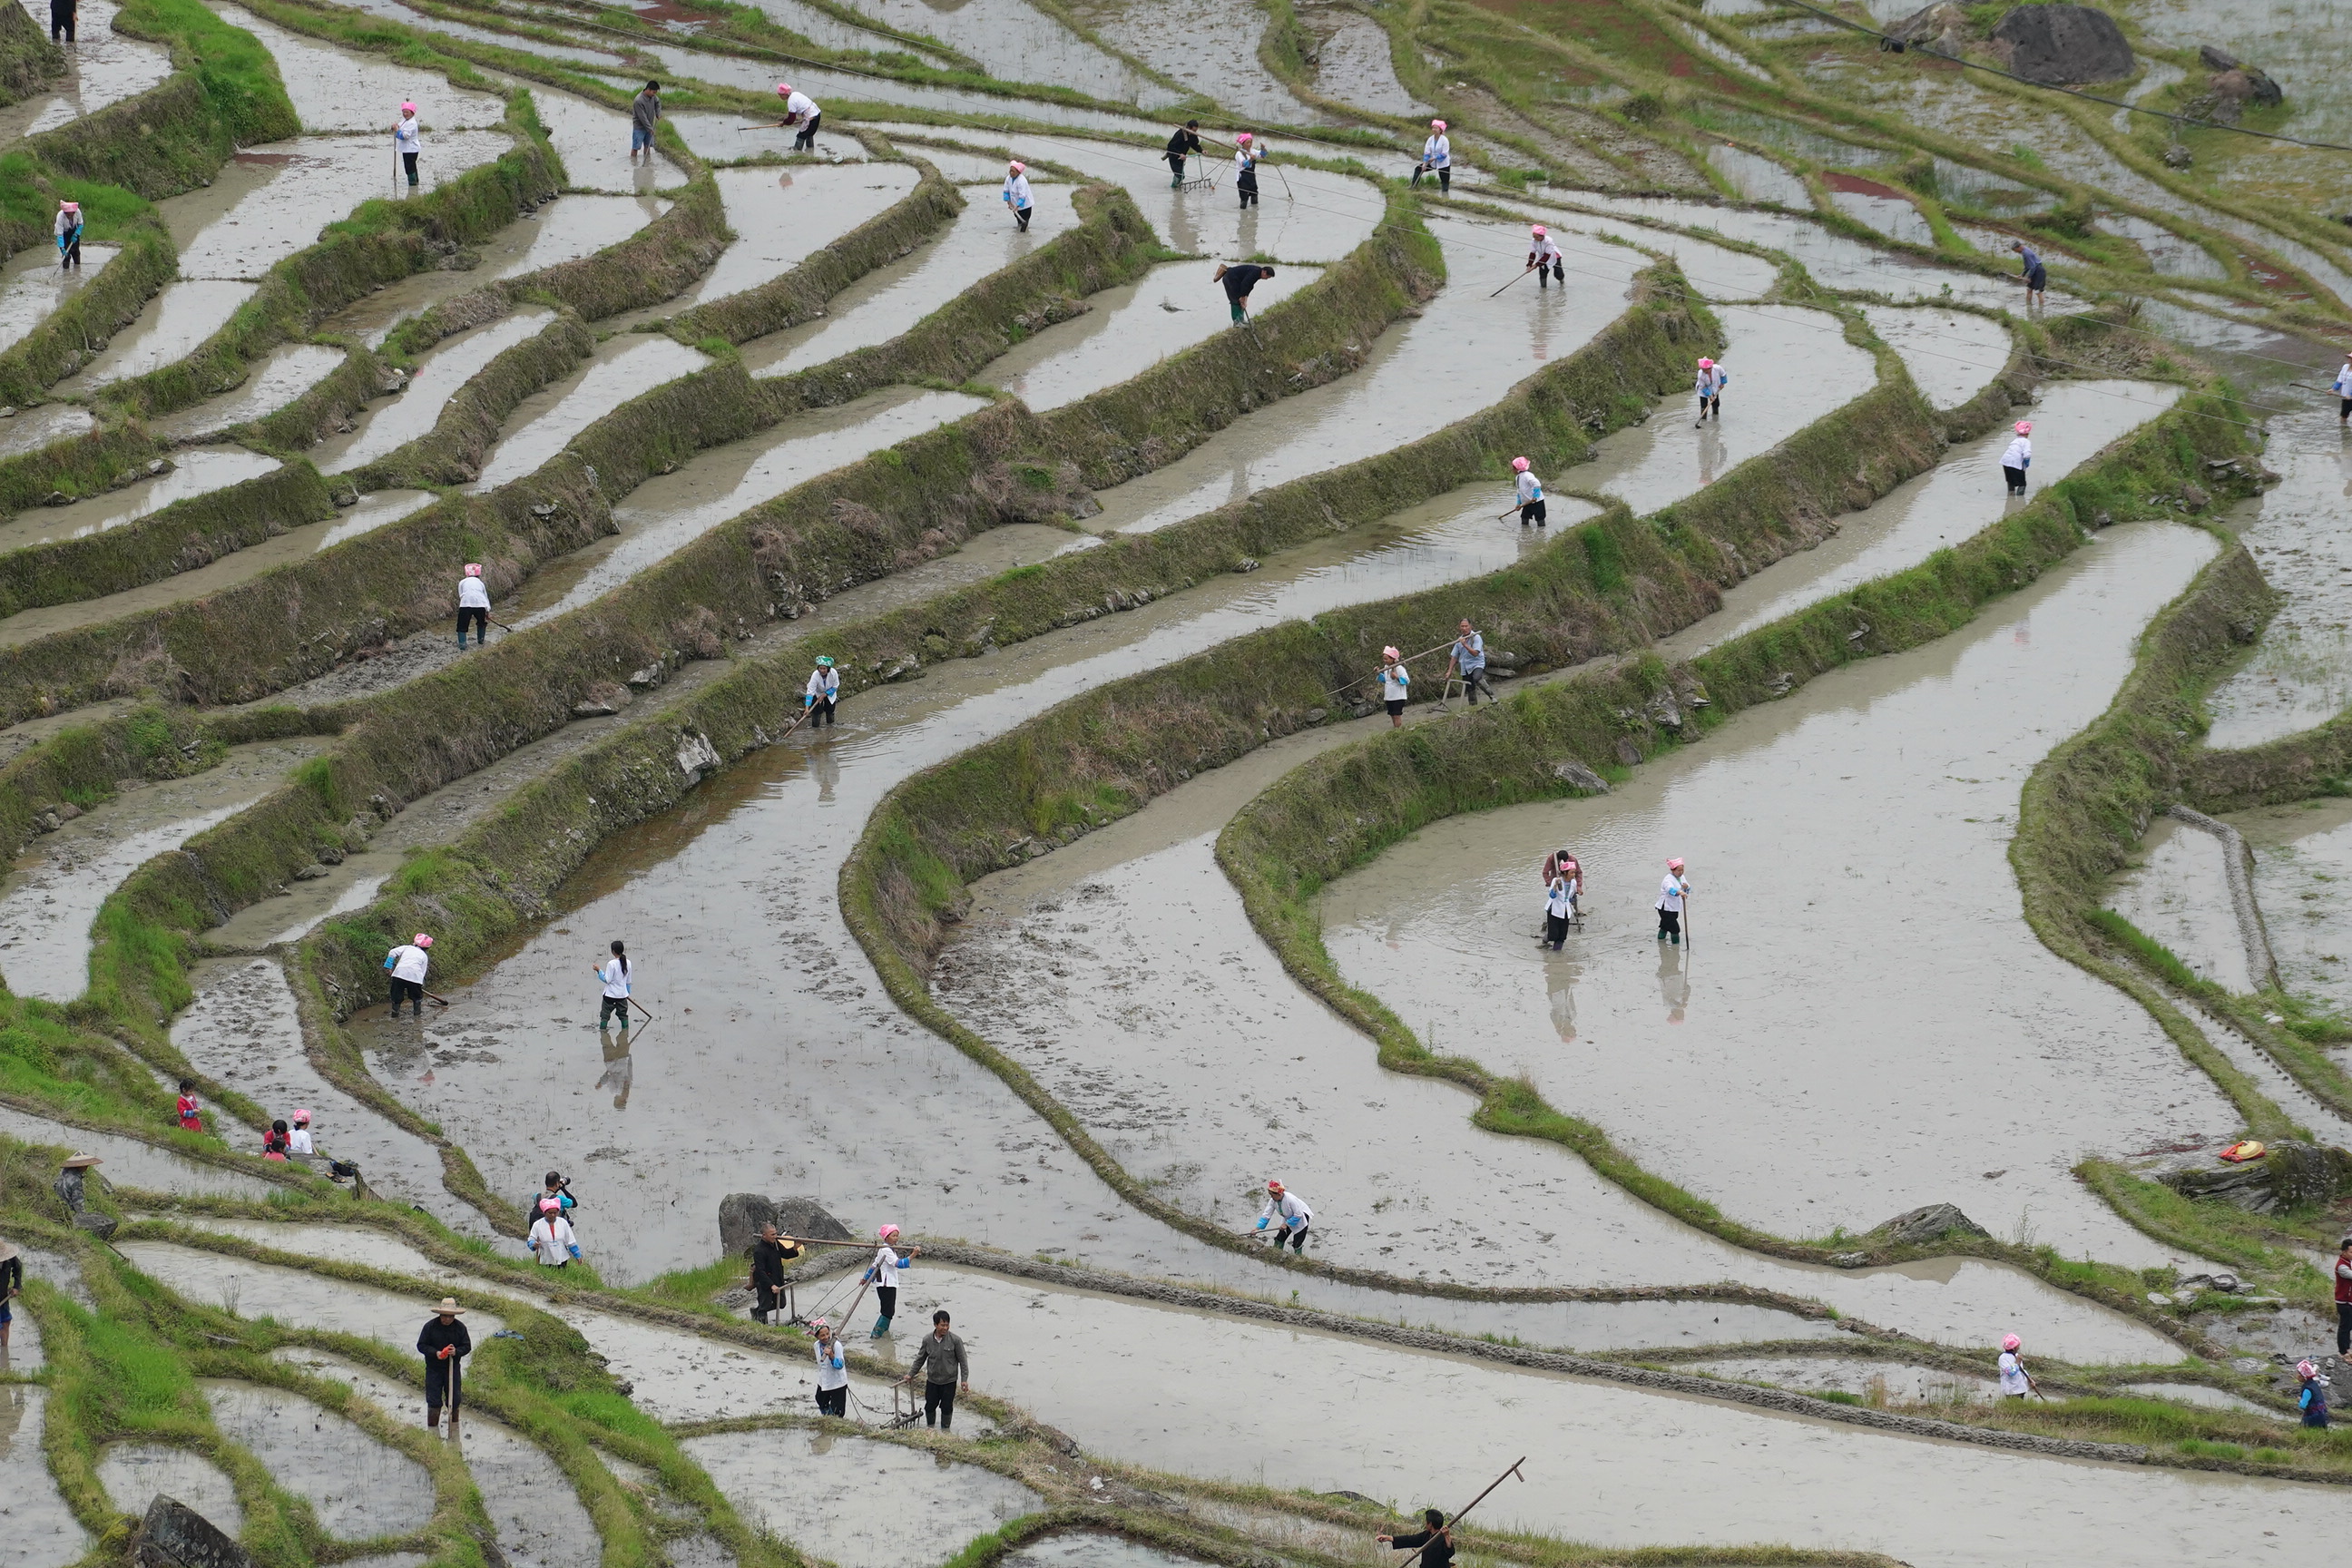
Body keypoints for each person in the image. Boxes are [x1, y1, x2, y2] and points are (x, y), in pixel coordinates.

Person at [903, 1308, 971, 1430]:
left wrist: (964, 1380)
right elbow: (920, 1359)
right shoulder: (927, 1340)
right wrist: (910, 1374)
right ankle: (930, 1428)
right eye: (942, 1325)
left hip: (949, 1381)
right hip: (933, 1381)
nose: (945, 1328)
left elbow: (963, 1361)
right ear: (935, 1325)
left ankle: (945, 1430)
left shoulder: (955, 1340)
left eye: (947, 1325)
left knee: (946, 1407)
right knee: (930, 1406)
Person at [417, 1298, 470, 1427]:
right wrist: (436, 1353)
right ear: (440, 1315)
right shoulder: (430, 1327)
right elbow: (421, 1345)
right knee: (434, 1399)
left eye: (450, 1316)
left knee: (455, 1399)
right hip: (434, 1369)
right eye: (445, 1316)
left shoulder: (460, 1328)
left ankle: (454, 1426)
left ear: (454, 1316)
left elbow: (467, 1346)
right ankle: (433, 1429)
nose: (447, 1319)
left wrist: (456, 1352)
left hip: (452, 1368)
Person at [866, 1224, 918, 1337]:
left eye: (897, 1236)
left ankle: (884, 1330)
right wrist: (913, 1255)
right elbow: (898, 1263)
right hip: (886, 1284)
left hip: (888, 1284)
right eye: (893, 1236)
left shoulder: (887, 1250)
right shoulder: (886, 1250)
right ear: (886, 1237)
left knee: (889, 1310)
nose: (896, 1238)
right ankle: (876, 1333)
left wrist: (865, 1278)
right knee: (887, 1311)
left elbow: (874, 1266)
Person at [748, 1221, 804, 1326]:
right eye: (772, 1234)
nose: (775, 1236)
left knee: (781, 1304)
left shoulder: (776, 1244)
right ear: (764, 1235)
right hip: (765, 1282)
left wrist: (795, 1247)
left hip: (778, 1278)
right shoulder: (759, 1250)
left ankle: (756, 1311)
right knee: (764, 1306)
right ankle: (762, 1327)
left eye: (776, 1234)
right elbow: (760, 1271)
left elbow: (786, 1254)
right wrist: (771, 1285)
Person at [1378, 1509, 1455, 1568]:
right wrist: (1390, 1538)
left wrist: (1447, 1536)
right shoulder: (1427, 1535)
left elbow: (1450, 1552)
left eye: (1426, 1521)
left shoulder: (1442, 1538)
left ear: (1430, 1524)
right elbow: (1411, 1540)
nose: (1425, 1523)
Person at [1256, 1178, 1311, 1252]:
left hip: (1301, 1217)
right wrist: (1257, 1228)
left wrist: (1287, 1224)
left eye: (1272, 1195)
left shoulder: (1291, 1199)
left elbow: (1298, 1214)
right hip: (1287, 1217)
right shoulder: (1273, 1201)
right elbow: (1267, 1214)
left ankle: (1298, 1259)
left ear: (1279, 1194)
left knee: (1297, 1242)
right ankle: (1276, 1253)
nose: (1271, 1197)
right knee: (1280, 1237)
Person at [384, 933, 432, 1017]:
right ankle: (417, 1017)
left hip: (398, 975)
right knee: (416, 998)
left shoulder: (407, 948)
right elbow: (422, 972)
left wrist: (388, 967)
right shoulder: (424, 956)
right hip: (415, 978)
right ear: (427, 948)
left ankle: (395, 1015)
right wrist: (420, 984)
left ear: (414, 942)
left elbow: (392, 952)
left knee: (396, 997)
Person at [1447, 619, 1494, 706]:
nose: (1464, 628)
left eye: (1466, 626)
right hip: (1465, 666)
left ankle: (1492, 697)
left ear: (1470, 626)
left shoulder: (1476, 637)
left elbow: (1475, 653)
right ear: (1460, 627)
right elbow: (1454, 657)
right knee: (1469, 687)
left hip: (1477, 663)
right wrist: (1449, 671)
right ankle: (1473, 706)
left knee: (1477, 678)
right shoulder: (1459, 641)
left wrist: (1465, 644)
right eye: (1462, 626)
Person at [1216, 260, 1275, 327]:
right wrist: (1242, 297)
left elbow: (1250, 286)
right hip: (1230, 278)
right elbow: (1245, 284)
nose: (1267, 279)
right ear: (1264, 272)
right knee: (1235, 299)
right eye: (1268, 276)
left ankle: (1241, 320)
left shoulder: (1257, 273)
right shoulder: (1255, 272)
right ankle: (1236, 322)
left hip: (1236, 281)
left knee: (1240, 300)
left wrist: (1245, 299)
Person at [528, 1198, 581, 1268]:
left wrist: (577, 1255)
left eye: (555, 1213)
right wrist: (534, 1245)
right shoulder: (537, 1225)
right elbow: (531, 1239)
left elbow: (570, 1241)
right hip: (545, 1260)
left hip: (562, 1259)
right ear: (544, 1212)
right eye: (550, 1213)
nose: (553, 1215)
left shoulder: (563, 1223)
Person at [811, 1318, 849, 1415]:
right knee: (820, 1399)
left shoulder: (836, 1345)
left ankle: (835, 1422)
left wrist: (832, 1356)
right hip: (824, 1379)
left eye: (827, 1334)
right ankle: (828, 1417)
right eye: (822, 1335)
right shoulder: (816, 1345)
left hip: (837, 1382)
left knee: (838, 1410)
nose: (826, 1337)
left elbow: (840, 1365)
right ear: (817, 1336)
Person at [595, 939, 632, 1031]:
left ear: (613, 951)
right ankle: (625, 1032)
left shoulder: (611, 964)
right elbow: (628, 981)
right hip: (622, 996)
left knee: (605, 1016)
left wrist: (599, 970)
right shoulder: (628, 962)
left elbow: (607, 980)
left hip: (610, 996)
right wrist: (626, 993)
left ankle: (603, 1033)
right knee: (623, 1016)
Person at [773, 83, 821, 151]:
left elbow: (791, 119)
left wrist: (783, 123)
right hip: (817, 113)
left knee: (801, 135)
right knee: (809, 134)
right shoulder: (796, 94)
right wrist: (803, 119)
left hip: (810, 116)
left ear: (784, 94)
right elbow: (804, 107)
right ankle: (810, 151)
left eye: (780, 95)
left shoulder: (791, 101)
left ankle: (797, 151)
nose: (780, 97)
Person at [456, 563, 491, 648]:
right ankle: (481, 641)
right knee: (481, 623)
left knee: (461, 626)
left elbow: (461, 595)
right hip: (480, 605)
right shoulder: (480, 583)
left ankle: (462, 645)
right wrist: (487, 611)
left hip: (465, 605)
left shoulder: (462, 582)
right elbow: (485, 597)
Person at [1655, 858, 1689, 945]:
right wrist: (1680, 892)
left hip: (1674, 907)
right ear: (1673, 870)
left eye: (1682, 870)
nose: (1681, 872)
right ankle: (1675, 946)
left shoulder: (1682, 877)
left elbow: (1687, 887)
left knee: (1665, 924)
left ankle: (1661, 940)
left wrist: (1686, 887)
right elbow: (1670, 889)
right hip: (1665, 907)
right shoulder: (1668, 879)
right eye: (1678, 870)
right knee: (1675, 928)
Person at [1377, 645, 1410, 728]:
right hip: (1389, 696)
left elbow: (1407, 681)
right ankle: (1396, 729)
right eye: (1384, 659)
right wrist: (1378, 673)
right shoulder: (1386, 668)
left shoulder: (1399, 668)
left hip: (1398, 696)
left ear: (1392, 659)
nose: (1384, 661)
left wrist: (1397, 677)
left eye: (1386, 659)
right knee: (1392, 715)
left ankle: (1398, 731)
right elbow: (1387, 680)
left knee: (1397, 715)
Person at [1995, 1333, 2037, 1398]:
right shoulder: (2003, 1358)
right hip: (2011, 1390)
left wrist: (2030, 1380)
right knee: (2013, 1406)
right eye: (2018, 1346)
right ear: (2013, 1348)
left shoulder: (2016, 1355)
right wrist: (2017, 1363)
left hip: (2020, 1388)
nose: (2019, 1347)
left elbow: (2021, 1370)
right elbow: (2010, 1372)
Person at [1416, 119, 1451, 194]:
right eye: (1433, 128)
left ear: (1440, 130)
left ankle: (1445, 195)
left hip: (1443, 163)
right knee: (1418, 169)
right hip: (1432, 162)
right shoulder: (1430, 139)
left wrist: (1434, 158)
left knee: (1444, 181)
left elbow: (1444, 153)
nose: (1434, 129)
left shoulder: (1445, 140)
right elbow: (1427, 152)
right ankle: (1413, 186)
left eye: (1436, 128)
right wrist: (1425, 163)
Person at [1543, 870, 1575, 951]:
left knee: (1562, 936)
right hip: (1554, 910)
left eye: (1574, 872)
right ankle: (1547, 938)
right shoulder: (1556, 880)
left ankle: (1556, 955)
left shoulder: (1574, 882)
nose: (1573, 875)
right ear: (1565, 873)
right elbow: (1552, 895)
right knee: (1553, 935)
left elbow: (1571, 896)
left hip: (1566, 911)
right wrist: (1556, 885)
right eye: (1571, 873)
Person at [804, 654, 839, 728]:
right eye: (820, 668)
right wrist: (807, 708)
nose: (822, 670)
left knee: (830, 709)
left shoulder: (834, 673)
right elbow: (810, 692)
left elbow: (835, 686)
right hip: (817, 692)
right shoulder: (815, 675)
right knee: (816, 711)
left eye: (824, 669)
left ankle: (830, 727)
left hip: (830, 692)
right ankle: (816, 727)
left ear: (828, 669)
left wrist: (825, 694)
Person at [2009, 239, 2045, 308]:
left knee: (2038, 291)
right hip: (2034, 270)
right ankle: (2028, 308)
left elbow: (2033, 267)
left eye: (2015, 250)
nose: (2015, 252)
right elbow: (2027, 266)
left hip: (2039, 271)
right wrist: (2022, 274)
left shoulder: (2027, 253)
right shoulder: (2023, 251)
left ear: (2018, 247)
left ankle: (2041, 310)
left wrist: (2028, 277)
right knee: (2029, 289)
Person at [1511, 456, 1546, 527]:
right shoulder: (1518, 477)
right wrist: (1519, 503)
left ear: (1517, 469)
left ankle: (1541, 534)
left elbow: (1537, 484)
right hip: (1527, 503)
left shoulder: (1528, 475)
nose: (1512, 470)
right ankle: (1525, 534)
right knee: (1524, 518)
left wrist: (1535, 496)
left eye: (1513, 468)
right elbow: (1519, 491)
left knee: (1540, 519)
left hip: (1537, 502)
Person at [1165, 119, 1202, 187]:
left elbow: (1194, 144)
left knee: (1180, 175)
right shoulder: (1180, 134)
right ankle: (1174, 189)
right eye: (1193, 130)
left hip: (1182, 158)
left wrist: (1201, 150)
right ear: (1188, 127)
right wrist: (1180, 154)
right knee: (1180, 175)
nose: (1194, 132)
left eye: (1195, 131)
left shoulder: (1193, 135)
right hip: (1174, 156)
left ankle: (1176, 187)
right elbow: (1170, 146)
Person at [631, 81, 661, 162]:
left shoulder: (653, 97)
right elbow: (642, 118)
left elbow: (657, 103)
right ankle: (633, 163)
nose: (654, 94)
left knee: (647, 146)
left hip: (649, 126)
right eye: (653, 92)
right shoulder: (638, 101)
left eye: (655, 92)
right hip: (639, 127)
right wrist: (650, 128)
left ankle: (647, 162)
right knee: (636, 147)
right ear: (648, 89)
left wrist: (658, 113)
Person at [1526, 224, 1563, 289]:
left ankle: (1562, 282)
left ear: (1542, 236)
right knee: (1542, 274)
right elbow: (1532, 253)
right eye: (1534, 236)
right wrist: (1529, 265)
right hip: (1542, 258)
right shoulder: (1533, 241)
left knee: (1558, 274)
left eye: (1537, 237)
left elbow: (1547, 256)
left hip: (1554, 257)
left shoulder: (1549, 241)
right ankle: (1543, 291)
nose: (1535, 238)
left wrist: (1536, 265)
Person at [2000, 420, 2032, 497]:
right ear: (2027, 434)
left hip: (2005, 462)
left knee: (2010, 482)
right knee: (2022, 484)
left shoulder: (2015, 441)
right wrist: (2027, 464)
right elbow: (2027, 454)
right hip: (2016, 463)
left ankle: (2010, 497)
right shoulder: (2026, 441)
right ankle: (2020, 500)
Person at [395, 102, 421, 189]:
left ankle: (413, 185)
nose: (405, 114)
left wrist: (397, 131)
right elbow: (399, 126)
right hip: (407, 149)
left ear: (412, 113)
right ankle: (415, 182)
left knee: (409, 167)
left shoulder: (412, 123)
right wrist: (394, 127)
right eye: (404, 112)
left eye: (407, 112)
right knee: (411, 165)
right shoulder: (405, 120)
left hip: (411, 149)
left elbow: (404, 136)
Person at [1002, 161, 1034, 232]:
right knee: (1018, 219)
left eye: (1013, 171)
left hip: (1026, 205)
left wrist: (1017, 206)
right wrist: (1009, 202)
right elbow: (1006, 191)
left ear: (1018, 172)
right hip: (1014, 203)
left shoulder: (1021, 181)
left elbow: (1023, 196)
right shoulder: (1008, 178)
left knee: (1025, 220)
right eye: (1010, 171)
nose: (1011, 173)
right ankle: (1019, 231)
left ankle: (1023, 236)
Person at [2298, 1359, 2331, 1427]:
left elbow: (2303, 1405)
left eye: (2298, 1374)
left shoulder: (2307, 1389)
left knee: (2306, 1431)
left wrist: (2299, 1400)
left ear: (2303, 1376)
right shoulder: (2315, 1384)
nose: (2297, 1375)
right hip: (2322, 1414)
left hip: (2313, 1416)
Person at [1233, 132, 1260, 211]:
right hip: (1242, 178)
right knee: (1244, 199)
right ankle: (1243, 216)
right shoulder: (1239, 153)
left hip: (1251, 177)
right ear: (1243, 143)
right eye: (1247, 142)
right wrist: (1251, 159)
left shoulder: (1253, 151)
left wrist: (1263, 149)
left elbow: (1262, 155)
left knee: (1254, 194)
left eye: (1250, 142)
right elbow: (1244, 164)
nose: (1249, 144)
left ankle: (1254, 212)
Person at [1694, 357, 1726, 424]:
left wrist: (1722, 383)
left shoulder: (1717, 368)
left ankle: (1715, 419)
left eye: (1705, 369)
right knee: (1704, 406)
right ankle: (1703, 421)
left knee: (1716, 403)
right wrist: (1710, 395)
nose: (1703, 371)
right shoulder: (1700, 374)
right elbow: (1702, 387)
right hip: (1703, 389)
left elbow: (1723, 375)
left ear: (1710, 368)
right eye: (1702, 369)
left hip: (1714, 387)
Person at [2334, 1234, 2351, 1356]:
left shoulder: (2349, 1262)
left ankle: (2347, 1349)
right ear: (2344, 1252)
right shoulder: (2342, 1266)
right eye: (2351, 1252)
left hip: (2349, 1300)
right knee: (2345, 1327)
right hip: (2344, 1301)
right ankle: (2343, 1352)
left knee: (2349, 1326)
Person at [54, 201, 81, 270]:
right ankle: (66, 273)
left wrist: (76, 234)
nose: (70, 216)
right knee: (66, 256)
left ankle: (77, 269)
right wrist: (62, 248)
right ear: (65, 213)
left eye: (71, 215)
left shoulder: (77, 212)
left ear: (74, 213)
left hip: (74, 232)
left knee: (76, 252)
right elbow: (60, 235)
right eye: (68, 215)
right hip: (64, 234)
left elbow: (80, 224)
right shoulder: (60, 216)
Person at [2335, 354, 2352, 427]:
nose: (2349, 359)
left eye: (2350, 358)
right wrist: (2333, 389)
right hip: (2345, 397)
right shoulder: (2345, 367)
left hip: (2350, 396)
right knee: (2344, 416)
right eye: (2349, 357)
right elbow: (2339, 380)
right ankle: (2344, 431)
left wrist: (2351, 394)